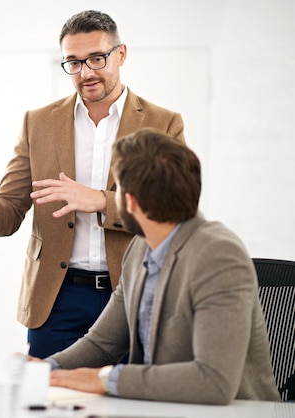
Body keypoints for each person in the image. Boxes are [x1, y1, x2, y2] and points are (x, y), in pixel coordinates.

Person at [0, 10, 185, 358]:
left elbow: (174, 212)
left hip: (134, 291)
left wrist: (101, 201)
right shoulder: (39, 123)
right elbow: (11, 210)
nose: (86, 73)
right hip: (57, 299)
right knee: (47, 405)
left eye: (96, 58)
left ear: (121, 54)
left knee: (128, 403)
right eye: (73, 63)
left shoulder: (163, 123)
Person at [44, 128, 280, 404]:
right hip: (164, 407)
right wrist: (47, 369)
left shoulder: (219, 256)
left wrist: (104, 380)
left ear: (130, 202)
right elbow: (102, 344)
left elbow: (214, 381)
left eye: (116, 189)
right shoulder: (140, 247)